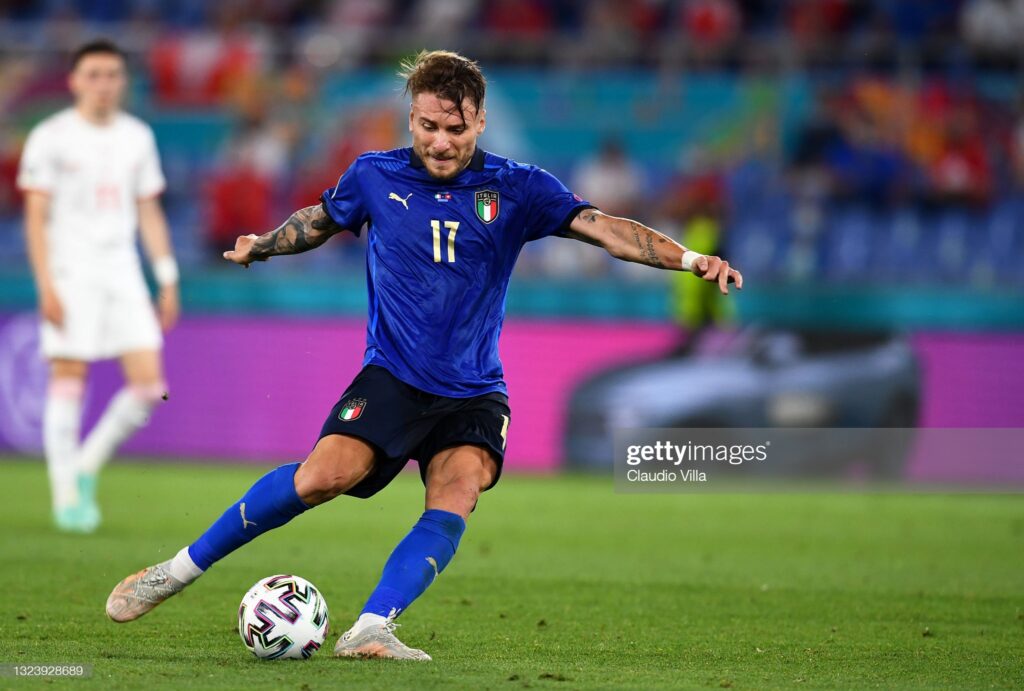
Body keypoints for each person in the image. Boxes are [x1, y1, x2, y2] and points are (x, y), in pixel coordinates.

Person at [105, 50, 741, 660]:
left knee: (459, 488)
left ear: (480, 122)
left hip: (474, 389)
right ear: (411, 118)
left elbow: (606, 230)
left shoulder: (518, 187)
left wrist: (690, 258)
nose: (440, 142)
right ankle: (175, 571)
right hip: (394, 376)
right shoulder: (374, 175)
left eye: (455, 130)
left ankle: (371, 627)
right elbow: (319, 222)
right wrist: (264, 245)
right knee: (323, 477)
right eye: (429, 126)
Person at [17, 40, 179, 533]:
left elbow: (149, 211)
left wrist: (166, 276)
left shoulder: (137, 137)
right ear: (74, 81)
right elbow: (35, 217)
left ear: (123, 81)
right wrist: (45, 284)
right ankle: (65, 493)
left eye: (112, 74)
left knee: (149, 386)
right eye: (93, 74)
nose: (103, 84)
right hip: (70, 270)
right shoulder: (51, 136)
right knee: (69, 375)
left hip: (122, 269)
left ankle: (85, 466)